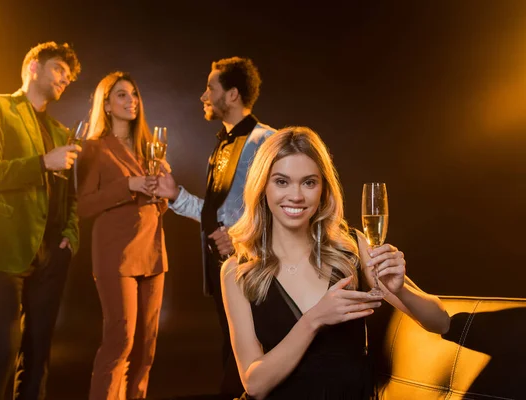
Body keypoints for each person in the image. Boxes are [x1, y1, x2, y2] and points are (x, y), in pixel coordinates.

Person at [221, 126, 451, 399]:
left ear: (323, 190)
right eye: (281, 182)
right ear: (262, 188)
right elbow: (255, 385)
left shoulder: (353, 247)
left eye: (309, 182)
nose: (296, 195)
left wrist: (399, 289)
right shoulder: (238, 270)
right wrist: (315, 319)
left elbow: (441, 323)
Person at [0, 41, 82, 399]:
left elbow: (69, 197)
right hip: (5, 249)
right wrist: (43, 163)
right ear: (33, 67)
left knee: (38, 355)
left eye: (69, 76)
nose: (66, 79)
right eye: (59, 69)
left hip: (50, 255)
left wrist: (70, 236)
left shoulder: (61, 132)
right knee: (4, 352)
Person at [155, 57, 276, 397]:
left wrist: (239, 238)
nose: (203, 95)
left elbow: (282, 207)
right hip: (222, 271)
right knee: (234, 352)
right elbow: (216, 215)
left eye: (210, 88)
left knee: (254, 358)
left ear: (233, 94)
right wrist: (174, 194)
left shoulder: (265, 141)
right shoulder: (221, 143)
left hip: (255, 271)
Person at [76, 71, 167, 400]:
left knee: (146, 347)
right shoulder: (95, 148)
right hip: (116, 253)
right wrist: (127, 186)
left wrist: (163, 193)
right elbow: (83, 206)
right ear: (107, 105)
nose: (132, 101)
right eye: (122, 95)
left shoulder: (150, 149)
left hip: (153, 252)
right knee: (121, 339)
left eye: (134, 95)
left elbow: (163, 204)